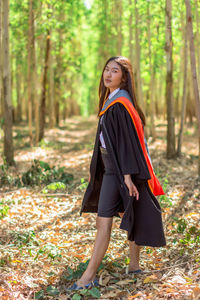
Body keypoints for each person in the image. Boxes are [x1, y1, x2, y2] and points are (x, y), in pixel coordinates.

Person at [67, 56, 166, 291]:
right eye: (106, 70)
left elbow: (126, 142)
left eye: (115, 71)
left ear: (124, 77)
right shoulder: (113, 99)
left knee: (106, 223)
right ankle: (133, 266)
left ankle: (88, 276)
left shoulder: (120, 103)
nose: (108, 74)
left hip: (120, 171)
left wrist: (127, 176)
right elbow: (108, 141)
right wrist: (96, 170)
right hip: (112, 168)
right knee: (130, 213)